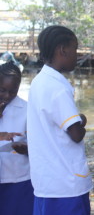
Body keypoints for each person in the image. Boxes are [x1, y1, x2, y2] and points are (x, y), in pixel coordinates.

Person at [27, 25, 92, 215]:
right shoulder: (57, 87)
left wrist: (77, 119)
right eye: (75, 49)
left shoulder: (39, 82)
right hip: (66, 184)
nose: (77, 55)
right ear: (62, 50)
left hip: (46, 181)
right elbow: (76, 134)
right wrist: (82, 121)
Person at [0, 62, 34, 215]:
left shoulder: (27, 109)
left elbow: (38, 143)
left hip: (20, 179)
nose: (7, 96)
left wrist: (26, 149)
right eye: (2, 90)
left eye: (12, 91)